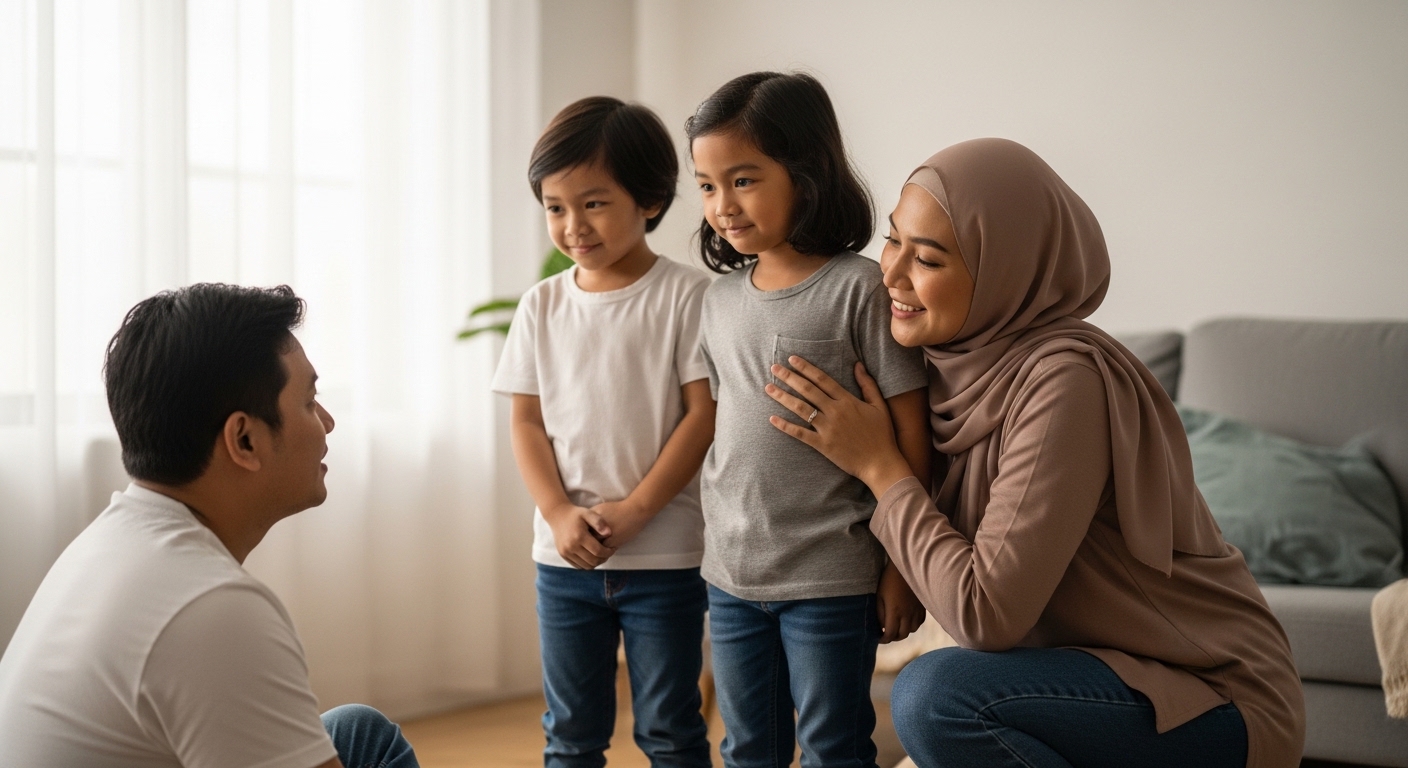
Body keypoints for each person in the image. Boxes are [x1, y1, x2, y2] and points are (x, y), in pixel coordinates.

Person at [765, 137, 1306, 768]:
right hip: (1091, 678)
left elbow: (986, 614)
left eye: (930, 260)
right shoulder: (943, 369)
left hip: (1208, 698)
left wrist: (882, 468)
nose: (890, 273)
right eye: (893, 240)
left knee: (937, 697)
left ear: (1005, 270)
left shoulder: (1063, 382)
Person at [0, 283, 418, 767]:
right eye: (308, 401)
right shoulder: (211, 607)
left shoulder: (111, 540)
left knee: (360, 733)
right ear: (243, 438)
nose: (326, 422)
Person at [687, 71, 932, 768]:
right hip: (731, 574)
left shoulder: (858, 288)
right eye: (706, 185)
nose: (722, 204)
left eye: (743, 179)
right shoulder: (719, 299)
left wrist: (903, 571)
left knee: (833, 747)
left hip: (831, 574)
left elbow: (911, 434)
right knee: (747, 747)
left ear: (807, 173)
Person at [492, 96, 716, 768]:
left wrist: (636, 510)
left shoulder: (687, 296)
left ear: (648, 199)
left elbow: (702, 416)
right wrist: (558, 512)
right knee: (570, 734)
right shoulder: (543, 304)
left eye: (593, 203)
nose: (571, 225)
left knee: (671, 730)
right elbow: (525, 421)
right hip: (564, 561)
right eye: (555, 207)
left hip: (665, 559)